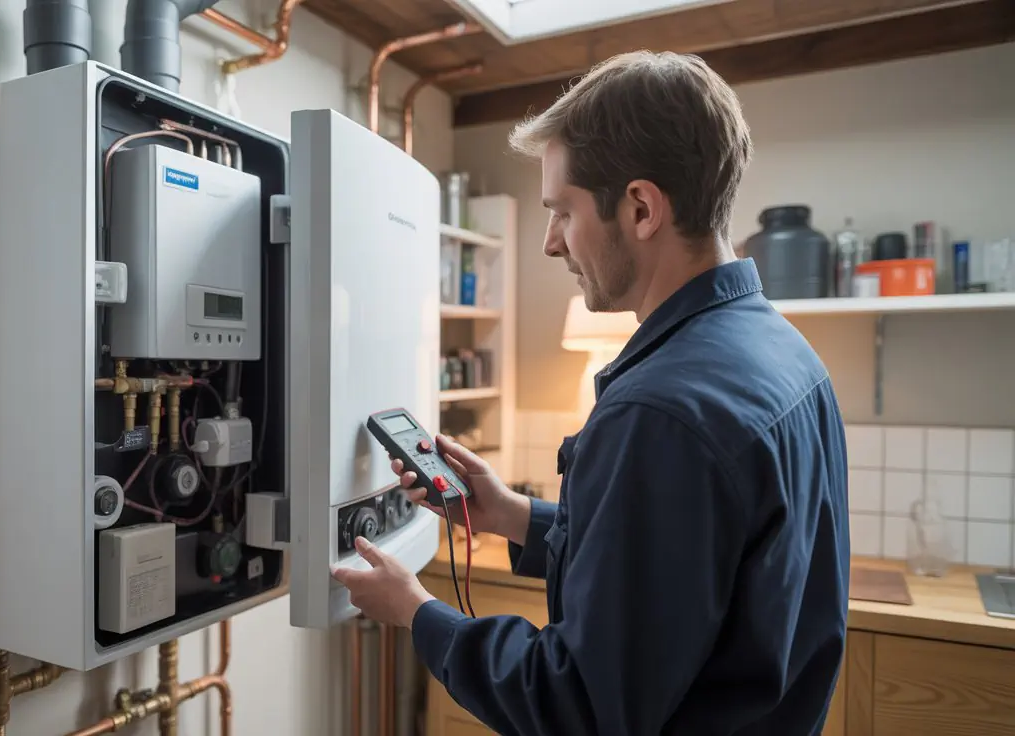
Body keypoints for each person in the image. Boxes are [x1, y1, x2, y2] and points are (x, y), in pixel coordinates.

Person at [332, 50, 850, 736]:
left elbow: (578, 704)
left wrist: (418, 612)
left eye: (562, 211)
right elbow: (679, 582)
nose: (551, 242)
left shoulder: (659, 414)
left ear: (640, 208)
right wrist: (517, 516)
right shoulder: (785, 352)